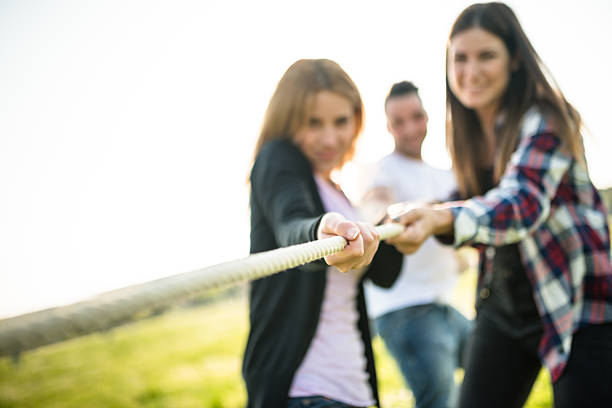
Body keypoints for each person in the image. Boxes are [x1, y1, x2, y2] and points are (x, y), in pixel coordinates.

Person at [387, 3, 612, 407]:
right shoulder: (471, 136)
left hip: (578, 302)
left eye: (486, 55)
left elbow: (520, 203)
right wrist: (411, 214)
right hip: (504, 305)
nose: (471, 71)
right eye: (460, 58)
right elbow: (465, 202)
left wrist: (442, 217)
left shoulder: (549, 118)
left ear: (514, 61)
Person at [242, 58, 404, 408]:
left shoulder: (338, 192)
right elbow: (292, 223)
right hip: (303, 389)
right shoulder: (277, 160)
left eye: (341, 121)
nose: (330, 138)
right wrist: (321, 232)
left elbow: (385, 275)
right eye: (312, 123)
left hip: (355, 387)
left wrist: (390, 225)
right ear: (287, 120)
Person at [361, 81, 472, 408]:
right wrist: (387, 216)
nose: (410, 128)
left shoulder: (446, 175)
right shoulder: (380, 171)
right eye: (399, 121)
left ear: (427, 117)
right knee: (439, 401)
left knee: (496, 375)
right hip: (404, 311)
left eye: (417, 116)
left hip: (443, 305)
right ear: (388, 127)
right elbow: (375, 202)